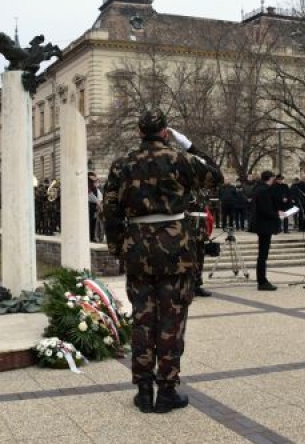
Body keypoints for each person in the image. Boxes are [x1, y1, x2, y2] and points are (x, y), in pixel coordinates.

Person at [103, 110, 222, 414]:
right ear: (166, 132)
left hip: (138, 246)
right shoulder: (180, 159)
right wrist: (191, 146)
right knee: (172, 319)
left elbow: (111, 210)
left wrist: (119, 249)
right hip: (175, 249)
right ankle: (166, 390)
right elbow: (216, 176)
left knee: (143, 318)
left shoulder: (122, 164)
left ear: (139, 132)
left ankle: (144, 390)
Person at [251, 170, 281, 291]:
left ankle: (262, 280)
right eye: (273, 178)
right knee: (263, 255)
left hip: (262, 225)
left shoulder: (259, 188)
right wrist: (278, 215)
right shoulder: (263, 190)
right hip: (264, 226)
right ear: (271, 178)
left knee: (262, 254)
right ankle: (262, 281)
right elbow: (266, 209)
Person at [88, 172, 102, 242]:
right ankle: (91, 237)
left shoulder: (96, 188)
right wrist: (97, 202)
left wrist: (98, 202)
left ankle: (93, 236)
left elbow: (99, 196)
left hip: (94, 207)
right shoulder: (88, 186)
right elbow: (90, 195)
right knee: (90, 222)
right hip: (90, 206)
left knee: (94, 222)